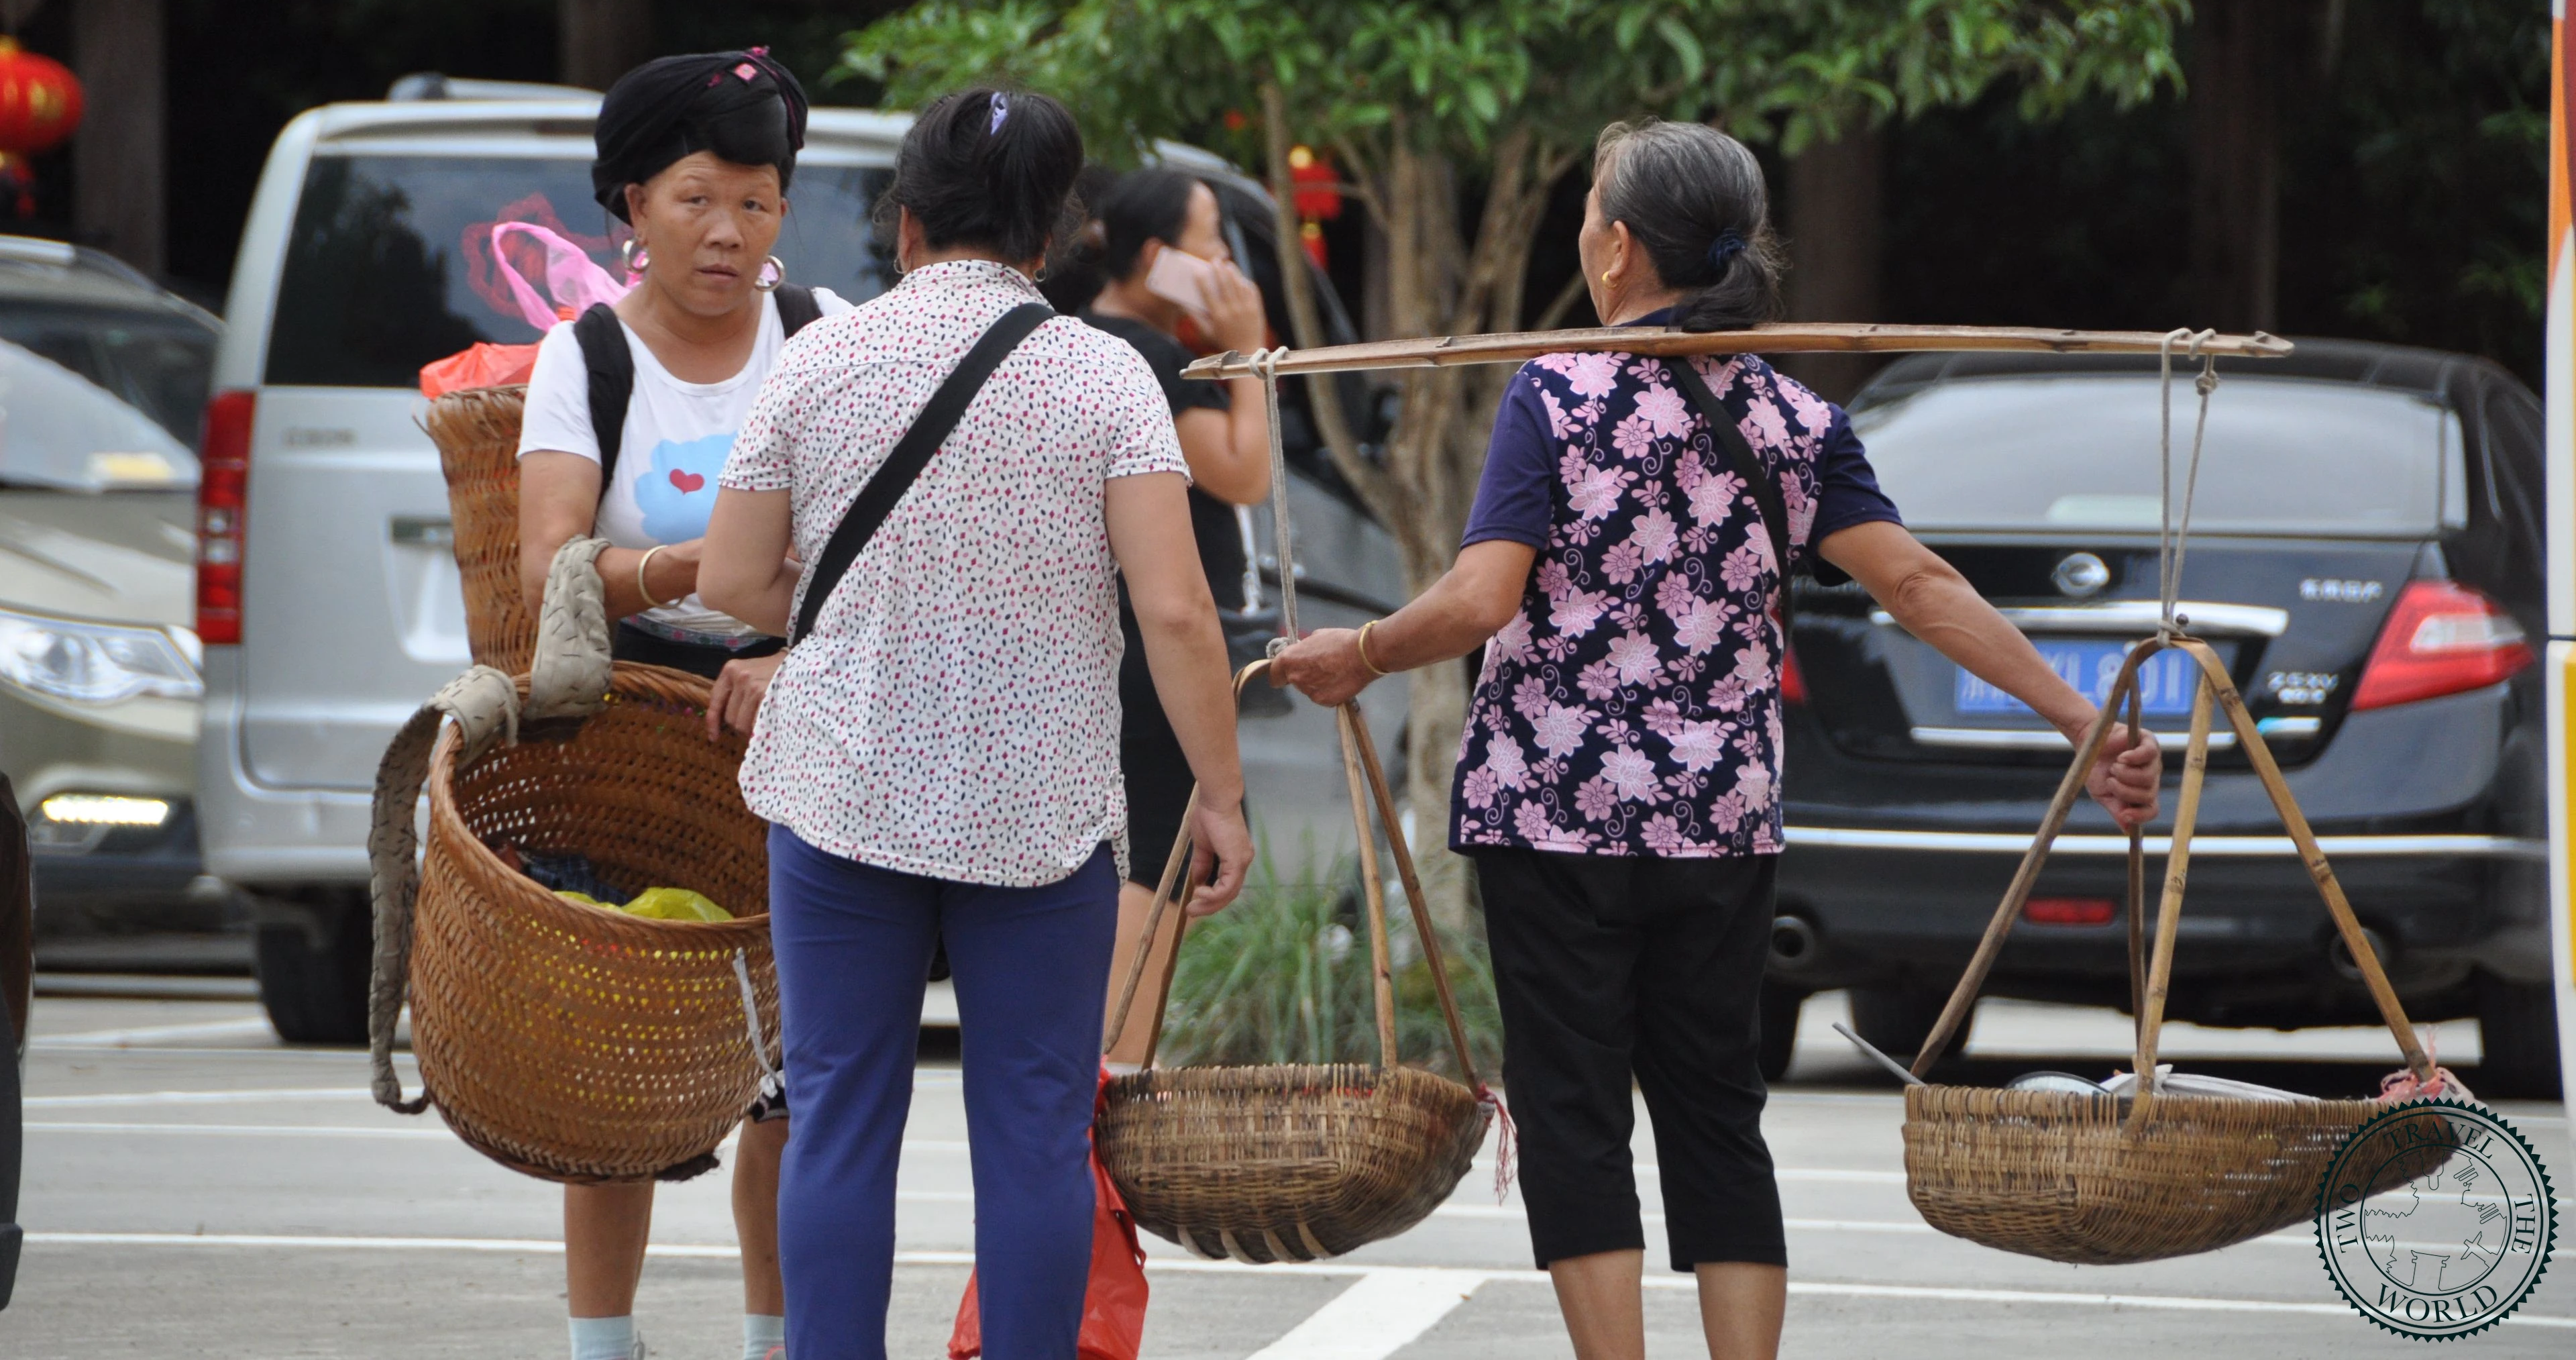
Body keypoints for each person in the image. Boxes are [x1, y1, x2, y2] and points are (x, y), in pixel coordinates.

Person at [1270, 120, 2163, 1360]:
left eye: (1590, 211)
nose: (1586, 233)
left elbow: (1483, 600)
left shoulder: (1556, 391)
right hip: (1717, 825)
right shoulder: (1797, 417)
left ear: (1621, 247)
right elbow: (1917, 584)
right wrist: (2085, 721)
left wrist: (1357, 655)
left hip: (1554, 816)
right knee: (1715, 1116)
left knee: (1576, 1117)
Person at [698, 88, 1256, 1360]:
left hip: (843, 792)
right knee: (1037, 1133)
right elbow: (1175, 612)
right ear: (1051, 236)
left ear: (905, 224)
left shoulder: (821, 357)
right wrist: (1217, 797)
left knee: (841, 1121)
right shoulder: (1105, 372)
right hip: (1041, 813)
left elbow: (732, 582)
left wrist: (869, 601)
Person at [517, 48, 851, 1360]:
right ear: (632, 205)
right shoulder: (582, 361)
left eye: (759, 202)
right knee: (619, 1076)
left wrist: (786, 641)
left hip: (801, 729)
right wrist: (696, 571)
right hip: (632, 745)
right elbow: (555, 560)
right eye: (698, 198)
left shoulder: (829, 340)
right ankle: (603, 1344)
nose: (730, 233)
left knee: (794, 1085)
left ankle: (781, 1340)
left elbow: (877, 547)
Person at [1079, 168, 1272, 1064]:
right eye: (1211, 243)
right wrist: (1249, 349)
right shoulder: (1150, 357)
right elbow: (1242, 471)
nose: (1228, 262)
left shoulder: (1079, 339)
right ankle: (1107, 1099)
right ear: (1157, 258)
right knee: (1147, 867)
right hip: (1149, 675)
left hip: (1096, 658)